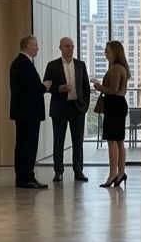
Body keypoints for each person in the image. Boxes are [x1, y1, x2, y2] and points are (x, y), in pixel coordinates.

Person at [43, 37, 91, 183]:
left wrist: (84, 106)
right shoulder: (52, 65)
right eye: (67, 46)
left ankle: (79, 171)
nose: (70, 48)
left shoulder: (80, 65)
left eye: (72, 46)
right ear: (60, 48)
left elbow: (86, 88)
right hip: (59, 109)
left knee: (78, 142)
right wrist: (59, 89)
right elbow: (46, 86)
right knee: (58, 141)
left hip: (77, 108)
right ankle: (58, 171)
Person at [9, 35, 51, 189]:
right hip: (29, 113)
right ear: (27, 46)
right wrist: (44, 86)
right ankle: (26, 178)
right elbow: (32, 88)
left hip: (23, 112)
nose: (37, 48)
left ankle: (24, 177)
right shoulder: (24, 64)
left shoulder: (18, 62)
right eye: (35, 45)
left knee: (22, 145)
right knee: (28, 146)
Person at [92, 40, 129, 188]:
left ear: (115, 52)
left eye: (107, 51)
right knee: (119, 141)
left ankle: (113, 174)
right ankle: (120, 173)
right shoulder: (121, 67)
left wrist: (98, 86)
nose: (105, 54)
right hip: (118, 104)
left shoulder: (115, 68)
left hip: (114, 105)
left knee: (112, 141)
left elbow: (113, 90)